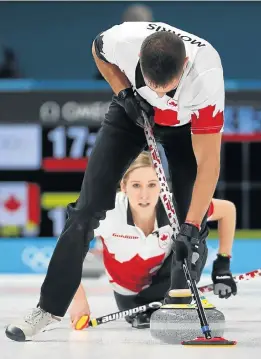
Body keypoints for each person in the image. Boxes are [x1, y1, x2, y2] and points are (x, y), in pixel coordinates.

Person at [6, 21, 237, 342]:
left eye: (168, 89)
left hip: (185, 127)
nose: (160, 94)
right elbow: (98, 51)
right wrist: (125, 92)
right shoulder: (122, 40)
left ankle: (181, 302)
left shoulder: (207, 78)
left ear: (185, 66)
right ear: (139, 58)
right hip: (132, 113)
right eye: (153, 84)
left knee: (191, 223)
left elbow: (209, 162)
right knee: (84, 212)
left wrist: (191, 224)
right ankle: (48, 307)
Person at [69, 152, 237, 329]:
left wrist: (223, 265)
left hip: (167, 283)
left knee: (195, 223)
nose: (144, 195)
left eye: (152, 185)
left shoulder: (174, 205)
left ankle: (182, 300)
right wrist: (78, 300)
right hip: (131, 298)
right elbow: (67, 252)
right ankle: (175, 302)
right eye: (136, 186)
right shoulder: (107, 211)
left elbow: (227, 210)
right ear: (123, 187)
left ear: (162, 186)